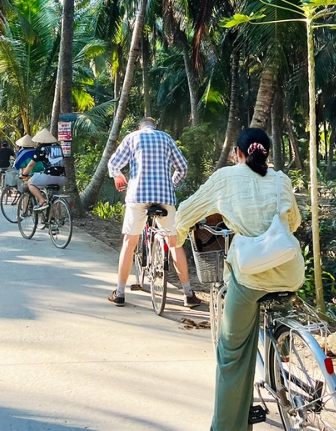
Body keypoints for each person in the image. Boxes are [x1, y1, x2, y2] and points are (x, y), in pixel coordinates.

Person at [174, 128, 305, 431]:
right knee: (281, 298)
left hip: (250, 277)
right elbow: (294, 223)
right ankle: (282, 356)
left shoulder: (226, 178)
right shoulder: (281, 180)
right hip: (290, 271)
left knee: (232, 353)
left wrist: (176, 236)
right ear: (266, 154)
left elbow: (185, 215)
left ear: (238, 153)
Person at [106, 117, 201, 308]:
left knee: (129, 242)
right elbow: (182, 167)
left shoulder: (133, 137)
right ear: (155, 127)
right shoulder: (166, 138)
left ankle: (120, 292)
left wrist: (118, 175)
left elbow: (114, 163)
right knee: (175, 243)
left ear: (139, 127)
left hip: (138, 197)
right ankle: (188, 294)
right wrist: (170, 186)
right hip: (165, 198)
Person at [20, 129, 66, 211]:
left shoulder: (41, 148)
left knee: (31, 183)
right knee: (56, 199)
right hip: (62, 177)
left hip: (49, 176)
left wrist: (24, 174)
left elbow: (31, 164)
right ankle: (57, 220)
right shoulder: (59, 147)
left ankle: (42, 201)